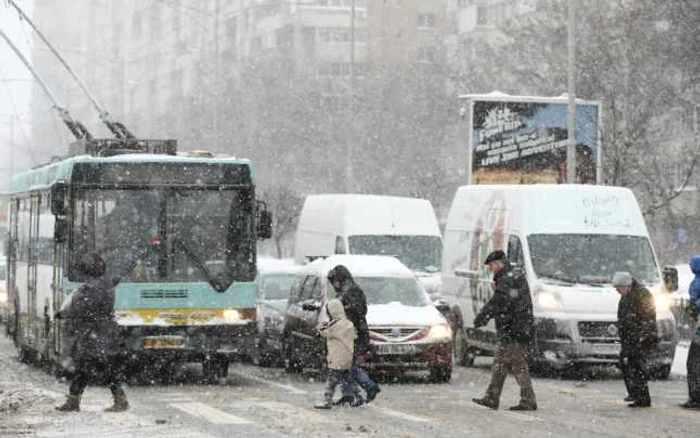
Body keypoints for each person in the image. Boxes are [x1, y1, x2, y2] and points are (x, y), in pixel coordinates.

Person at [55, 252, 129, 413]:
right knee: (99, 368)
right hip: (106, 332)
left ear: (88, 272)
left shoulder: (90, 289)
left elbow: (80, 309)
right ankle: (118, 399)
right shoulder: (106, 284)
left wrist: (62, 314)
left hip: (94, 334)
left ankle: (75, 401)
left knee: (87, 368)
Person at [472, 250, 537, 411]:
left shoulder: (508, 278)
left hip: (514, 329)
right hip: (512, 328)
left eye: (491, 266)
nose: (490, 270)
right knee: (499, 364)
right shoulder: (510, 276)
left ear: (498, 264)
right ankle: (491, 397)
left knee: (518, 364)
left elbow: (499, 301)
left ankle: (528, 400)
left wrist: (482, 317)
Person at [327, 265, 381, 406]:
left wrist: (345, 310)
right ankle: (349, 394)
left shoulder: (352, 291)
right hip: (348, 333)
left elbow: (360, 311)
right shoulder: (346, 291)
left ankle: (368, 387)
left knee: (348, 364)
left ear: (340, 279)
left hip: (353, 334)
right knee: (345, 364)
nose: (333, 285)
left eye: (334, 281)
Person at [613, 271, 657, 408]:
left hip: (639, 337)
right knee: (627, 364)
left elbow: (649, 316)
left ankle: (642, 397)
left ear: (627, 286)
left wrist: (643, 334)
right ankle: (635, 393)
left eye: (619, 289)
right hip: (629, 337)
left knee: (636, 366)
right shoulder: (627, 296)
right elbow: (623, 317)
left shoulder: (641, 294)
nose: (617, 292)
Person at [314, 299, 357, 409]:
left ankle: (327, 401)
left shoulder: (335, 325)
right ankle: (351, 397)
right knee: (347, 378)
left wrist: (321, 326)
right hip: (347, 355)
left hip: (337, 356)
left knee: (332, 380)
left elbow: (323, 332)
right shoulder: (348, 323)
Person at [681, 256, 700, 409]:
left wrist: (693, 307)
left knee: (693, 363)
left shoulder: (697, 283)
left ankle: (695, 397)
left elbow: (694, 305)